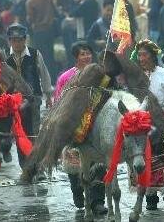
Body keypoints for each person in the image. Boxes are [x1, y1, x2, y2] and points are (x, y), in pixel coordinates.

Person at [54, 41, 108, 214]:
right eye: (82, 53)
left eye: (88, 53)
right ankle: (78, 192)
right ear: (76, 57)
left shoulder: (101, 74)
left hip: (97, 127)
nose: (86, 56)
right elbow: (58, 102)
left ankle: (98, 201)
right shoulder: (65, 78)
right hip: (74, 127)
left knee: (99, 162)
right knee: (75, 164)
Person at [130, 39, 164, 211]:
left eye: (144, 54)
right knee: (145, 158)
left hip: (162, 122)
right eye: (139, 54)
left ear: (152, 56)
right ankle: (150, 198)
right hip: (142, 125)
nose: (141, 57)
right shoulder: (135, 77)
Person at [5, 23, 53, 166]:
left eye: (20, 40)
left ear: (25, 40)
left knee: (33, 132)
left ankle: (37, 165)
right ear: (10, 41)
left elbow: (44, 75)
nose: (17, 43)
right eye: (13, 40)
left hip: (33, 100)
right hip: (13, 102)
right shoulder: (6, 58)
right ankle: (23, 165)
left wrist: (48, 96)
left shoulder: (34, 54)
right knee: (19, 133)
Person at [26, 0, 57, 83]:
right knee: (50, 55)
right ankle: (53, 79)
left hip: (38, 30)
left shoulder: (30, 1)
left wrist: (29, 20)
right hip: (50, 29)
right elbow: (55, 11)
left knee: (41, 57)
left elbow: (30, 19)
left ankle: (45, 81)